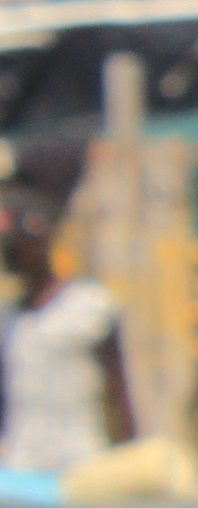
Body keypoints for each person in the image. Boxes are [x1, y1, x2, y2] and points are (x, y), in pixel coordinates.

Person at [1, 201, 125, 476]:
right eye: (8, 249)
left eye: (22, 248)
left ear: (44, 246)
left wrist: (127, 456)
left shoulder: (88, 306)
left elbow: (119, 388)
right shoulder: (10, 318)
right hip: (21, 465)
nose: (14, 257)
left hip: (78, 463)